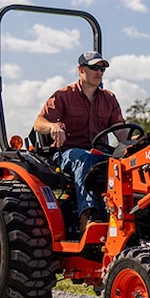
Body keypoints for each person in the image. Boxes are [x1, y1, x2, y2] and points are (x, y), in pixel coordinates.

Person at [33, 51, 124, 231]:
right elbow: (38, 123)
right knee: (85, 158)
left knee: (129, 162)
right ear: (81, 70)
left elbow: (121, 132)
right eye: (94, 68)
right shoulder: (63, 95)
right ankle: (89, 216)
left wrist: (136, 143)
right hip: (68, 154)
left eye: (102, 68)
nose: (99, 72)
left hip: (101, 153)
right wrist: (53, 127)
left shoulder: (109, 99)